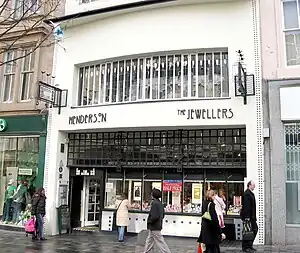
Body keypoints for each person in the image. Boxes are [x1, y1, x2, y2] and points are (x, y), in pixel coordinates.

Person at [143, 188, 171, 253]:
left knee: (160, 241)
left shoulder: (154, 203)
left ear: (153, 195)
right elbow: (163, 214)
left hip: (154, 225)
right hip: (157, 224)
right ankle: (146, 251)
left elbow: (154, 216)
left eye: (152, 193)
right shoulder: (160, 203)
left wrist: (150, 221)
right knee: (149, 240)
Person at [240, 181, 257, 252]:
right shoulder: (247, 194)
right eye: (253, 185)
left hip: (251, 216)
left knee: (253, 230)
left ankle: (249, 245)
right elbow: (247, 206)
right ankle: (245, 246)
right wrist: (247, 217)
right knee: (248, 231)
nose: (254, 187)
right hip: (248, 216)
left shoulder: (250, 193)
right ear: (249, 185)